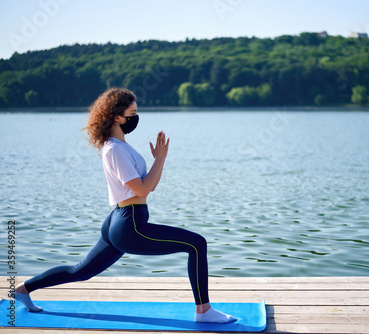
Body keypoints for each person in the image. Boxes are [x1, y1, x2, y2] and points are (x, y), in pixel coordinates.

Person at [14, 87, 236, 324]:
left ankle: (22, 290)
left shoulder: (121, 146)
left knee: (79, 271)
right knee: (196, 243)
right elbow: (142, 189)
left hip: (120, 220)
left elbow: (149, 186)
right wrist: (159, 160)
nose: (136, 117)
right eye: (133, 112)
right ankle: (203, 311)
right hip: (131, 224)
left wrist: (159, 161)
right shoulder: (115, 150)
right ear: (117, 117)